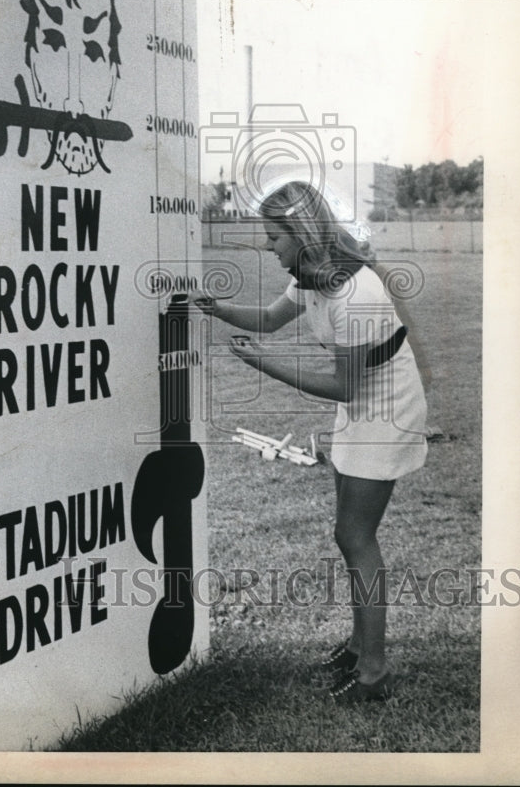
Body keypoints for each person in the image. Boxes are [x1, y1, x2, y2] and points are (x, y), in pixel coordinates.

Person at [190, 179, 428, 703]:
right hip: (360, 408)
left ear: (302, 234)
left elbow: (346, 383)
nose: (268, 246)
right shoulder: (312, 275)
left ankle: (373, 672)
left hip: (387, 411)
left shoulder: (355, 290)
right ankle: (356, 645)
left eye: (275, 236)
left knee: (355, 536)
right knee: (348, 534)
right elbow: (272, 319)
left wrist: (263, 365)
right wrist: (216, 308)